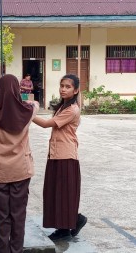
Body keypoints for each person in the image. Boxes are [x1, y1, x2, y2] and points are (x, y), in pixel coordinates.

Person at [0, 74, 39, 253]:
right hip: (21, 169)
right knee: (18, 214)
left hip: (0, 171)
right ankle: (16, 249)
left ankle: (3, 249)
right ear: (18, 89)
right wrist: (29, 102)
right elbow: (36, 105)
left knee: (2, 213)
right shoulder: (28, 111)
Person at [32, 74, 87, 241]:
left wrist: (26, 113)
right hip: (56, 153)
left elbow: (46, 124)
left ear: (76, 90)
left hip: (66, 155)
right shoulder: (63, 107)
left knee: (63, 193)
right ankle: (70, 222)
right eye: (62, 85)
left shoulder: (72, 109)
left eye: (68, 87)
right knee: (56, 192)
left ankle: (68, 226)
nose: (63, 89)